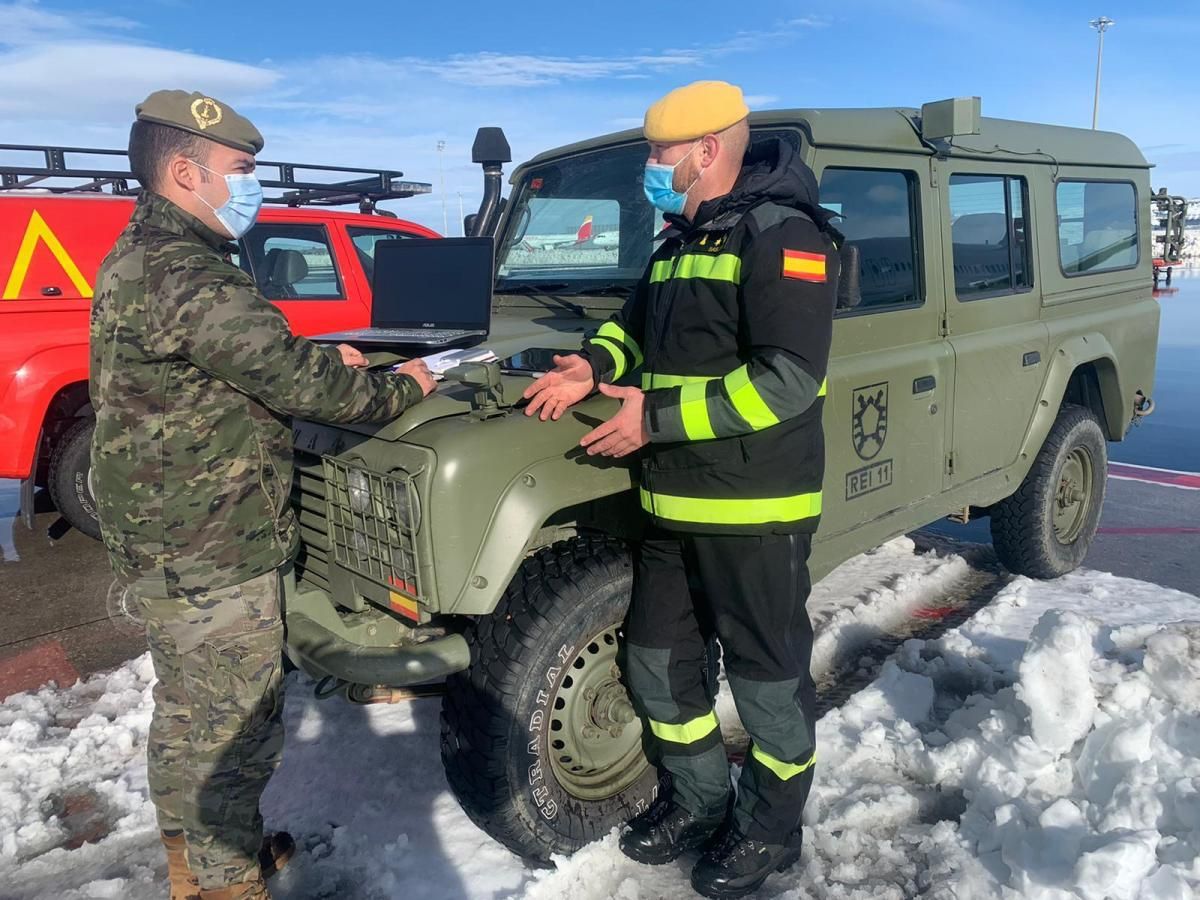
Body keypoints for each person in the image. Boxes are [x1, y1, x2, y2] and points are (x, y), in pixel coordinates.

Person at [89, 90, 436, 900]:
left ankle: (194, 853)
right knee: (230, 724)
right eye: (241, 172)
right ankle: (222, 881)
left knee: (185, 709)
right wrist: (403, 385)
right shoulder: (188, 270)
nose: (254, 190)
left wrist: (317, 358)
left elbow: (233, 363)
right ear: (184, 171)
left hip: (166, 529)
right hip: (210, 537)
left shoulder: (145, 252)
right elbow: (303, 386)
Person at [522, 80, 840, 898]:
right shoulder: (678, 241)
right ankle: (700, 800)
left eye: (660, 154)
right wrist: (593, 362)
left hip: (753, 511)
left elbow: (787, 381)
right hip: (669, 506)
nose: (651, 168)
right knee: (660, 666)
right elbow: (633, 328)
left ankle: (772, 828)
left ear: (705, 151)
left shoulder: (784, 237)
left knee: (769, 682)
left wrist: (652, 420)